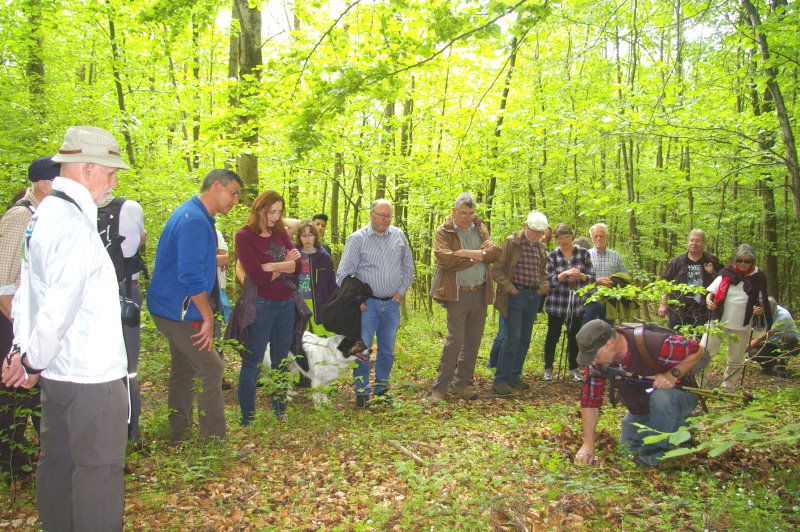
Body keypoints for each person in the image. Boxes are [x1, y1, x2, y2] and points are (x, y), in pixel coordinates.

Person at [2, 126, 130, 529]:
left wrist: (23, 352)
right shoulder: (71, 225)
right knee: (97, 473)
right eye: (110, 173)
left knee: (57, 464)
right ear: (88, 168)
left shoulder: (46, 216)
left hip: (58, 373)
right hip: (89, 378)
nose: (114, 182)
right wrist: (32, 358)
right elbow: (56, 305)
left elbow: (26, 294)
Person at [147, 169, 242, 442]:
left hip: (171, 307)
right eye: (232, 193)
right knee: (212, 368)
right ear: (216, 186)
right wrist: (207, 314)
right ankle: (213, 442)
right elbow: (189, 276)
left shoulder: (197, 215)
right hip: (179, 311)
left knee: (184, 368)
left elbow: (192, 260)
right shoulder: (194, 220)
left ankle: (179, 434)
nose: (235, 201)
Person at [574, 320, 708, 467]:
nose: (592, 361)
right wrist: (588, 444)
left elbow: (698, 350)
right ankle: (679, 426)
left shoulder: (655, 344)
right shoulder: (598, 365)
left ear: (610, 344)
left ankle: (651, 457)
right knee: (627, 449)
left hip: (680, 394)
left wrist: (672, 374)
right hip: (643, 402)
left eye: (594, 356)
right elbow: (590, 402)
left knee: (661, 398)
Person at [0, 156, 57, 481]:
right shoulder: (20, 216)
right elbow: (4, 285)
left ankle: (38, 462)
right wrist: (22, 338)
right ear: (43, 183)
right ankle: (14, 467)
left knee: (35, 394)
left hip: (27, 328)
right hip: (12, 330)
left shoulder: (40, 216)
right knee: (12, 397)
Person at [336, 199, 414, 407]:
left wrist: (401, 291)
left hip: (391, 304)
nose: (385, 219)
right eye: (381, 215)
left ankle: (382, 388)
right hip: (366, 306)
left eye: (388, 216)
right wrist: (356, 300)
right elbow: (343, 275)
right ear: (371, 214)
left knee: (387, 349)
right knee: (360, 349)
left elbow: (408, 267)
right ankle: (361, 391)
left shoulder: (398, 235)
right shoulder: (357, 239)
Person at [427, 193, 500, 404]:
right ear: (454, 211)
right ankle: (439, 388)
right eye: (462, 213)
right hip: (456, 293)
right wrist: (478, 254)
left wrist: (464, 253)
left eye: (470, 213)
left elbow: (495, 254)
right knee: (455, 340)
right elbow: (446, 261)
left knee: (473, 341)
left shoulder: (480, 227)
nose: (466, 217)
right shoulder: (444, 231)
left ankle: (461, 383)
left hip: (480, 292)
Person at [235, 190, 301, 422]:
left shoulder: (280, 231)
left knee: (281, 358)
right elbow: (257, 277)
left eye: (280, 212)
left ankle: (279, 409)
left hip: (286, 303)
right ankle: (248, 416)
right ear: (260, 209)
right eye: (272, 212)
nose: (276, 217)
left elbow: (299, 266)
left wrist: (271, 265)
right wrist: (285, 264)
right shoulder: (244, 236)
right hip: (261, 305)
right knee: (252, 360)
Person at [97, 194, 147, 441]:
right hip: (126, 290)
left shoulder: (81, 208)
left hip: (93, 293)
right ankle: (130, 431)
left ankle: (104, 429)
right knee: (129, 367)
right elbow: (131, 248)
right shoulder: (129, 208)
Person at [491, 211, 549, 396]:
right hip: (515, 295)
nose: (534, 235)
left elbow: (544, 273)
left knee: (524, 338)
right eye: (532, 230)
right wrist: (512, 289)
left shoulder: (540, 247)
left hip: (533, 296)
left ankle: (514, 376)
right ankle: (500, 380)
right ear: (525, 226)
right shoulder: (511, 242)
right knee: (512, 337)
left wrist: (542, 289)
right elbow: (497, 270)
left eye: (538, 232)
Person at [703, 244, 772, 391]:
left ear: (752, 262)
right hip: (718, 319)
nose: (742, 264)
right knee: (705, 350)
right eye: (739, 260)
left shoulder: (758, 277)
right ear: (735, 260)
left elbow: (763, 300)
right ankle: (701, 381)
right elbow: (711, 292)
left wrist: (760, 310)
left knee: (736, 357)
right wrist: (709, 299)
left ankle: (728, 387)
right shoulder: (726, 272)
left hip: (743, 323)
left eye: (747, 261)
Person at [543, 223, 595, 381]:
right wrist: (564, 274)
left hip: (577, 303)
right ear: (556, 239)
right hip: (557, 303)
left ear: (572, 236)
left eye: (567, 237)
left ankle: (573, 368)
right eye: (560, 237)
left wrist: (580, 275)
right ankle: (548, 368)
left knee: (574, 336)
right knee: (553, 335)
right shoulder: (552, 256)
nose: (564, 240)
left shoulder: (584, 254)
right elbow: (549, 281)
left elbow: (592, 279)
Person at [658, 229, 722, 331]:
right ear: (687, 242)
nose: (694, 243)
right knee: (675, 342)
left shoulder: (711, 262)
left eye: (698, 241)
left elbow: (721, 283)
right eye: (691, 240)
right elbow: (666, 283)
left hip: (702, 312)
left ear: (704, 243)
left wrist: (711, 273)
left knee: (699, 344)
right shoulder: (677, 262)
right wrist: (663, 304)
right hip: (678, 311)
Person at [294, 219, 336, 336]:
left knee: (324, 333)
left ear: (315, 236)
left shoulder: (323, 256)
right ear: (299, 237)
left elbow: (331, 282)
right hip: (298, 301)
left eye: (310, 235)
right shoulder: (294, 254)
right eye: (304, 235)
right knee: (300, 334)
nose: (307, 239)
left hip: (318, 301)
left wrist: (333, 303)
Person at [583, 223, 627, 325]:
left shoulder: (616, 256)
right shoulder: (585, 255)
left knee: (608, 331)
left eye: (601, 236)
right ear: (591, 238)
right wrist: (596, 282)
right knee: (587, 330)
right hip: (589, 300)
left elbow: (624, 277)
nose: (598, 238)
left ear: (607, 237)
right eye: (595, 236)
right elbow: (580, 278)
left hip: (610, 301)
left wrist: (614, 282)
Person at [749, 297, 798, 378]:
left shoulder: (783, 315)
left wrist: (749, 345)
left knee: (790, 338)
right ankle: (769, 365)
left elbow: (767, 334)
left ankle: (782, 367)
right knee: (753, 352)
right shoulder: (760, 314)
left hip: (789, 344)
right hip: (772, 343)